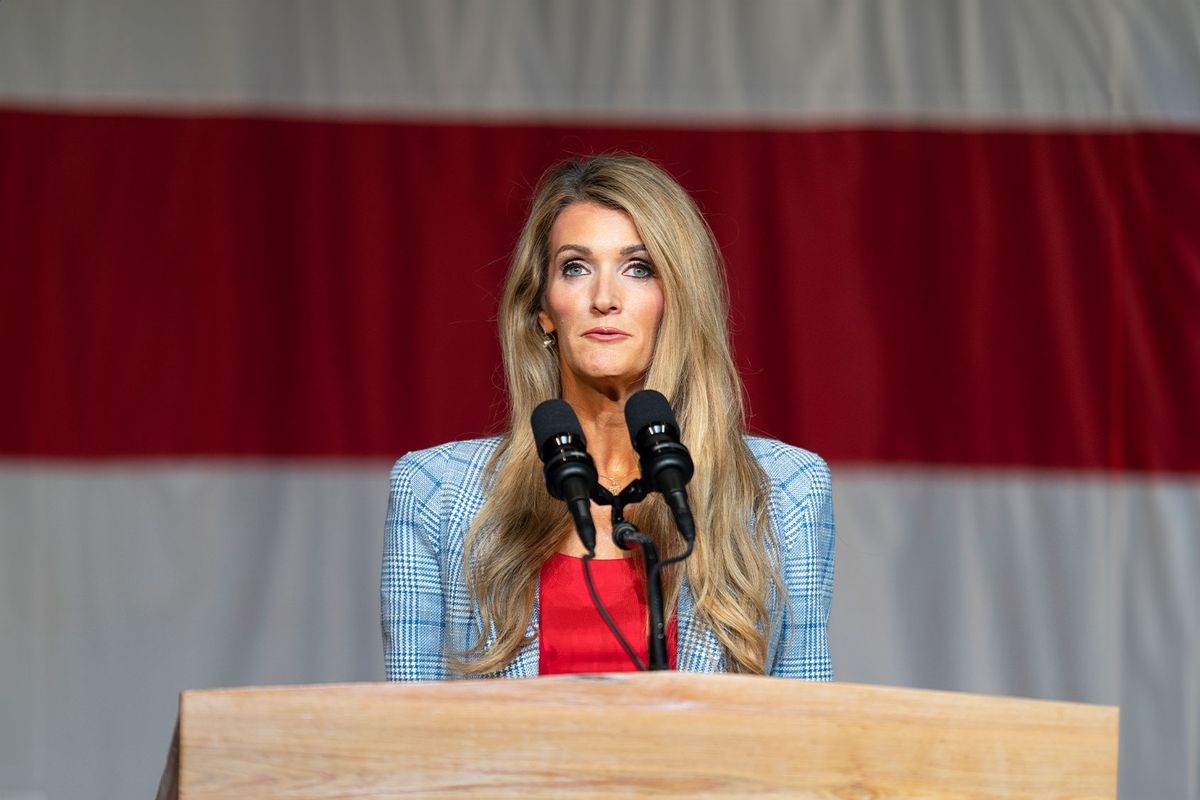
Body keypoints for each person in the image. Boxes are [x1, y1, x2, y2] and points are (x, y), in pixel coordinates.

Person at [382, 154, 834, 680]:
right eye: (575, 267)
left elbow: (805, 730)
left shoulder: (787, 490)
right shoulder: (435, 493)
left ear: (678, 300)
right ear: (543, 308)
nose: (604, 299)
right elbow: (414, 735)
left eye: (638, 268)